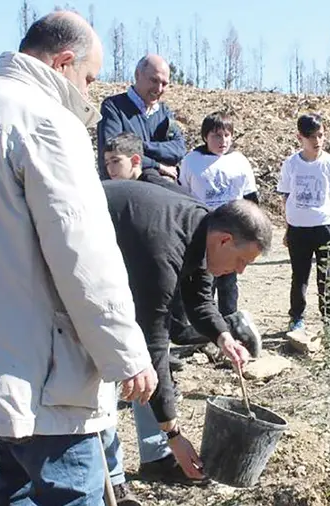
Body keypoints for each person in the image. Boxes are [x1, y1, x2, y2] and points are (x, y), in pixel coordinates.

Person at [0, 13, 158, 505]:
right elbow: (83, 253)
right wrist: (126, 354)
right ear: (64, 62)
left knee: (16, 478)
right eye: (88, 79)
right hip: (43, 367)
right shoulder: (46, 122)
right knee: (72, 488)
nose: (89, 94)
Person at [99, 181, 268, 498]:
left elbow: (201, 301)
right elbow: (153, 343)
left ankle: (155, 457)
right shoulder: (163, 250)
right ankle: (111, 477)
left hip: (120, 264)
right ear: (225, 240)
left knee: (147, 374)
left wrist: (223, 337)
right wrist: (174, 433)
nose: (241, 271)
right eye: (242, 261)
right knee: (107, 372)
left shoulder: (205, 230)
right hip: (72, 264)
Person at [179, 112, 259, 316]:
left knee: (229, 283)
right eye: (216, 135)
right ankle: (204, 330)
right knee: (204, 282)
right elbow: (183, 195)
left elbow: (251, 197)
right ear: (205, 136)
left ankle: (230, 324)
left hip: (232, 231)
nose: (222, 141)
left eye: (226, 135)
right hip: (203, 231)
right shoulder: (192, 160)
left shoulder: (239, 161)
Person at [278, 113, 330, 332]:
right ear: (300, 138)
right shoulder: (290, 164)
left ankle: (329, 319)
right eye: (311, 137)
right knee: (299, 275)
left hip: (324, 226)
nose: (317, 141)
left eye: (320, 135)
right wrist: (288, 228)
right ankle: (297, 317)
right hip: (298, 228)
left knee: (326, 274)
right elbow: (286, 197)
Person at [97, 54, 186, 181]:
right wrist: (158, 165)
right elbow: (113, 154)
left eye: (165, 84)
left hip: (159, 192)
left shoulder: (164, 113)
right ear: (137, 75)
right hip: (127, 192)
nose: (159, 89)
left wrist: (139, 147)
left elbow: (179, 150)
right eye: (154, 80)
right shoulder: (114, 107)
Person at [102, 132, 185, 193]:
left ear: (135, 160)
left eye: (115, 161)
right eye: (107, 163)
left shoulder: (158, 188)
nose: (110, 169)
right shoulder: (113, 191)